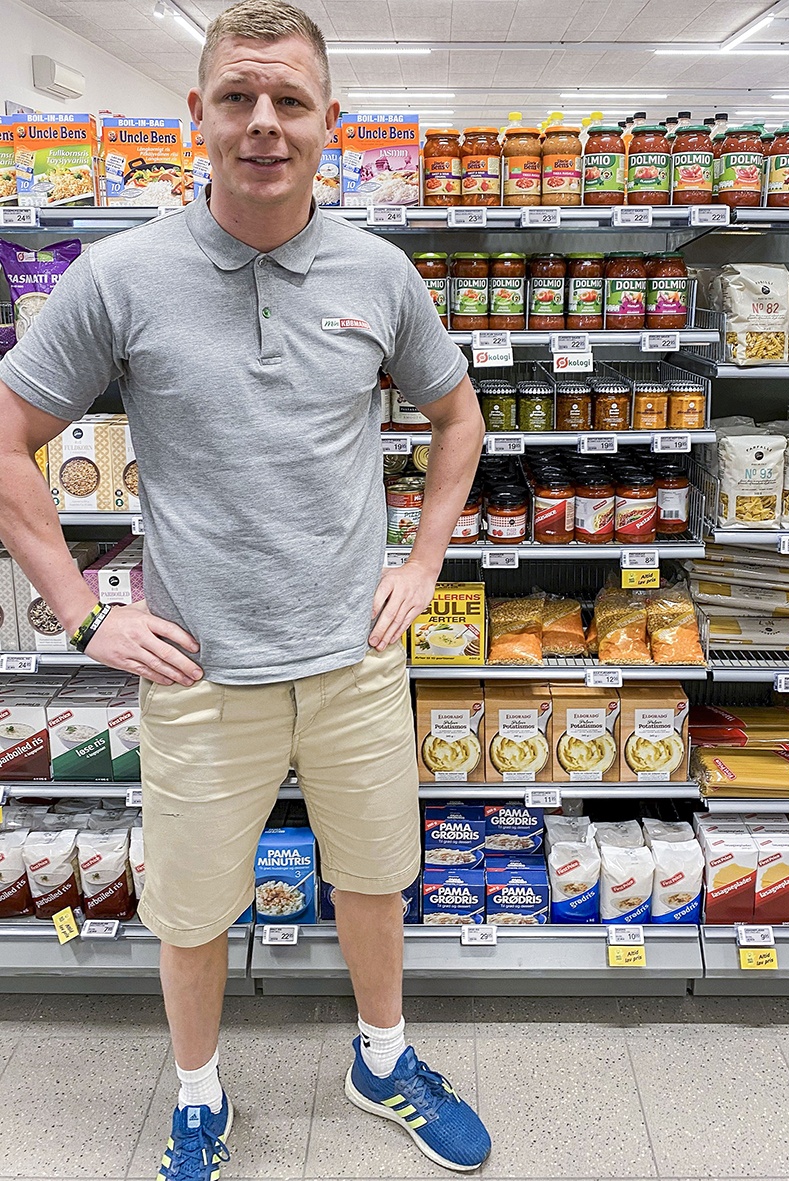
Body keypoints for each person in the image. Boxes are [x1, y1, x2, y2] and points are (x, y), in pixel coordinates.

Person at [0, 1, 491, 1175]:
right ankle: (199, 1092)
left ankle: (382, 1060)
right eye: (237, 98)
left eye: (289, 101)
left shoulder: (381, 274)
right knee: (191, 906)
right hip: (200, 667)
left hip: (353, 655)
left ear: (332, 122)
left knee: (373, 872)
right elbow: (11, 435)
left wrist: (420, 563)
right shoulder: (120, 277)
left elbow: (457, 415)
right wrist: (84, 611)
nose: (262, 123)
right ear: (197, 118)